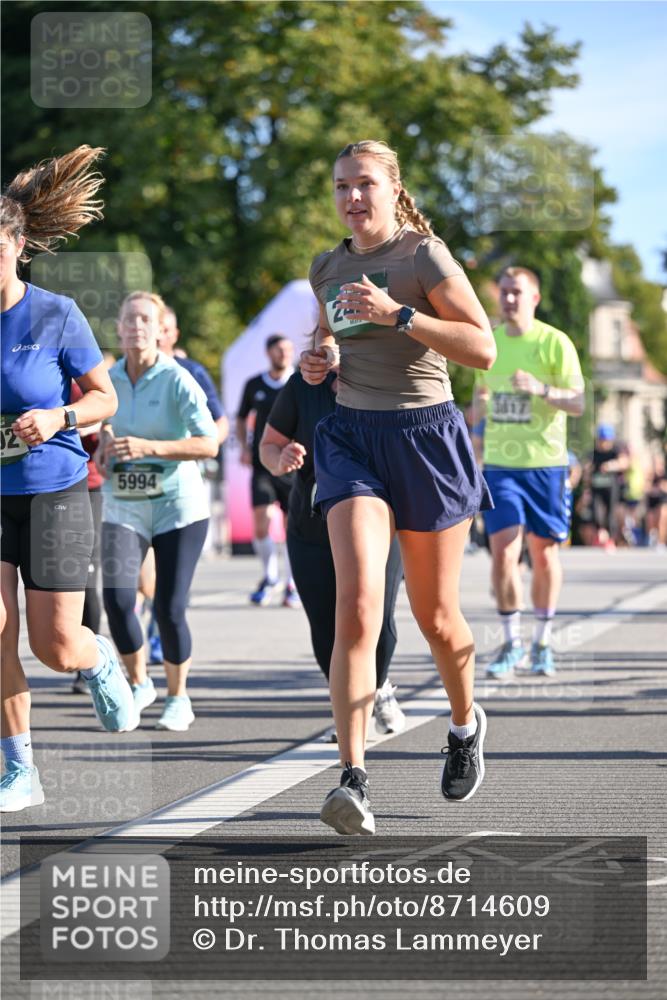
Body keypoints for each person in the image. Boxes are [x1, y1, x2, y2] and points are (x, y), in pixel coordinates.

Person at [300, 139, 496, 836]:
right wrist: (318, 360)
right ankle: (352, 778)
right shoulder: (325, 266)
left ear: (391, 189)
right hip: (352, 440)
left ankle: (464, 723)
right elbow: (326, 339)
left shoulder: (423, 256)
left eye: (363, 185)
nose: (351, 197)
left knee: (436, 616)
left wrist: (399, 315)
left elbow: (482, 347)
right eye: (340, 186)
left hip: (425, 439)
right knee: (356, 605)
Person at [0, 146, 137, 813]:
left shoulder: (54, 314)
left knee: (54, 644)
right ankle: (19, 767)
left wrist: (57, 413)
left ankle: (98, 659)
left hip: (52, 488)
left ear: (18, 247)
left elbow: (103, 400)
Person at [259, 364, 406, 740]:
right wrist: (280, 460)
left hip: (379, 525)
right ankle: (349, 715)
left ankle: (377, 686)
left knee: (377, 622)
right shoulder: (303, 386)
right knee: (326, 628)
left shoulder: (386, 373)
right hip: (312, 526)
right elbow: (268, 445)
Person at [96, 291, 218, 731]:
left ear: (160, 328)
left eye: (146, 318)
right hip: (123, 503)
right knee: (117, 599)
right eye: (128, 318)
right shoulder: (107, 378)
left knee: (168, 606)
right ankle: (138, 681)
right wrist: (103, 451)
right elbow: (101, 428)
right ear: (119, 328)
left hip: (177, 507)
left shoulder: (178, 378)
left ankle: (178, 696)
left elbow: (209, 442)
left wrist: (150, 447)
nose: (136, 325)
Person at [473, 266, 585, 680]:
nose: (509, 299)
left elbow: (577, 403)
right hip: (501, 465)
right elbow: (479, 401)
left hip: (547, 465)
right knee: (503, 550)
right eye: (503, 291)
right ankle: (511, 642)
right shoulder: (489, 344)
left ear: (534, 298)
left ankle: (543, 642)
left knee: (544, 552)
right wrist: (473, 439)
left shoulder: (555, 342)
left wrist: (540, 390)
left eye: (517, 292)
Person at [134, 305, 229, 665]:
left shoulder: (191, 372)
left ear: (173, 334)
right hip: (133, 486)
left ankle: (160, 629)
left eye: (165, 328)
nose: (158, 334)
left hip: (178, 484)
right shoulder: (126, 372)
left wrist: (202, 449)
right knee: (141, 576)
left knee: (164, 569)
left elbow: (219, 424)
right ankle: (150, 618)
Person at [236, 335, 299, 607]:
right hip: (263, 464)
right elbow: (240, 418)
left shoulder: (299, 382)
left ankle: (292, 583)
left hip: (294, 466)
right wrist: (244, 446)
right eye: (278, 349)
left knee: (291, 526)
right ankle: (269, 576)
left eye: (287, 349)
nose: (284, 354)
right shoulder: (254, 384)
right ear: (268, 352)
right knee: (261, 521)